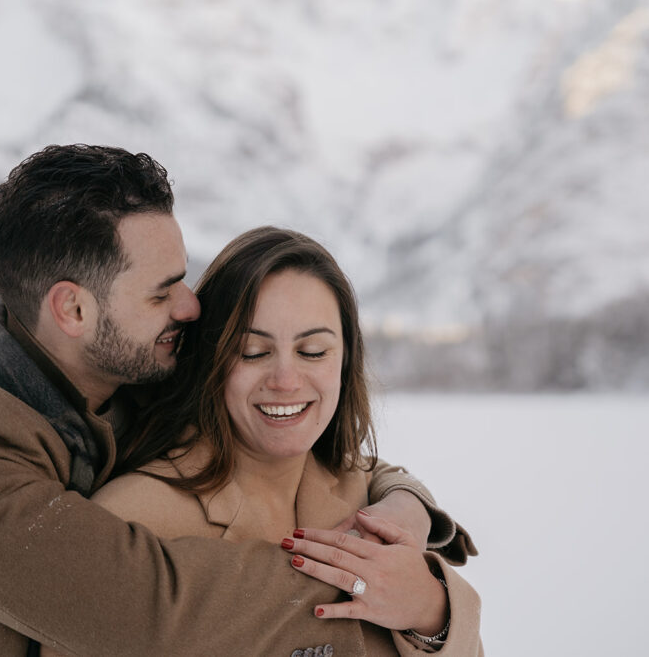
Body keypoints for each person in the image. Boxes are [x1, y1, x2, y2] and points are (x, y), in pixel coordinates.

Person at [0, 144, 475, 655]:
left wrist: (406, 505)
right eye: (161, 293)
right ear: (73, 309)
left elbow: (316, 449)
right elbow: (144, 610)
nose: (190, 306)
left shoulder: (128, 376)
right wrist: (387, 586)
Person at [54, 227, 482, 656]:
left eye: (313, 351)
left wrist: (431, 612)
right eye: (253, 352)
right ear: (211, 360)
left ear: (345, 361)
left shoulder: (367, 497)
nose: (285, 381)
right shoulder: (131, 521)